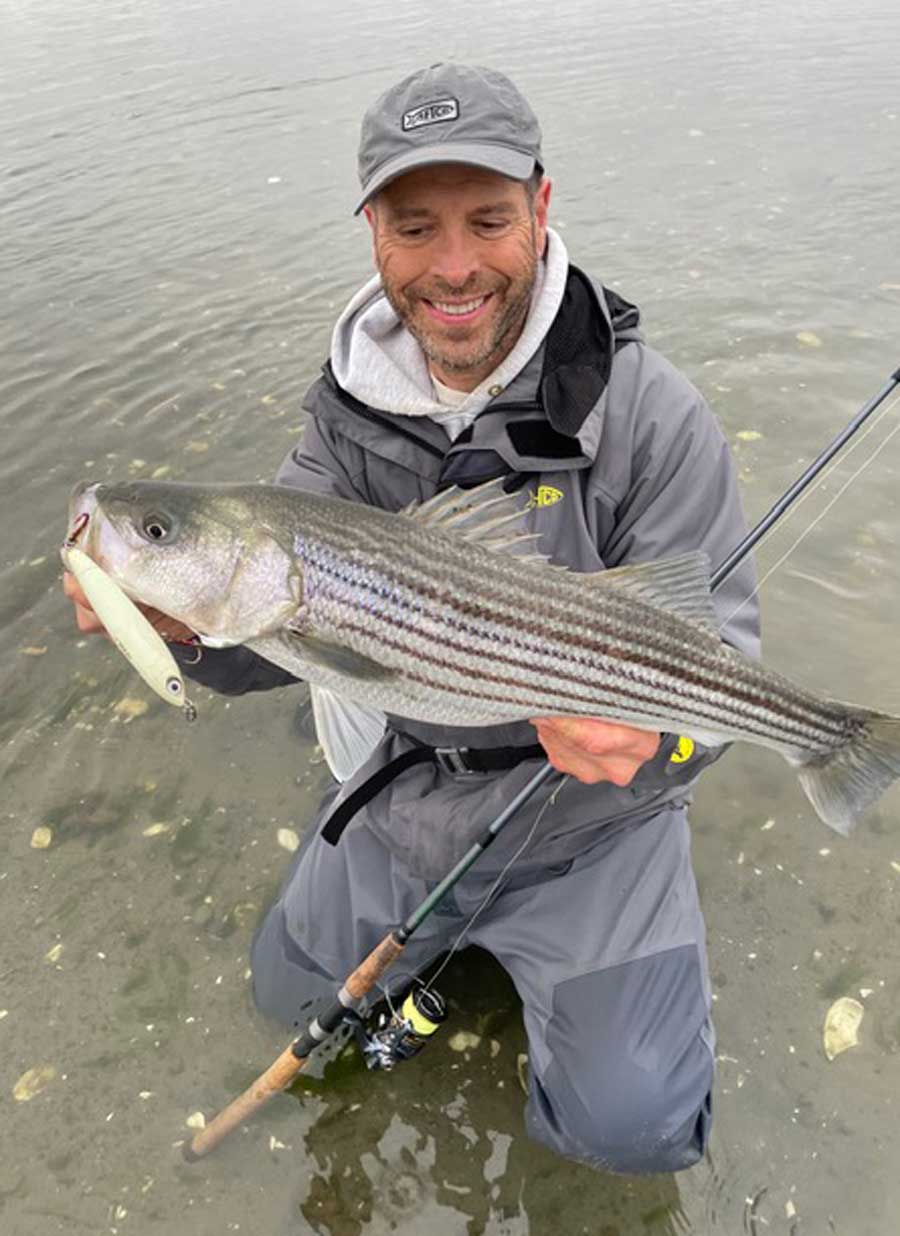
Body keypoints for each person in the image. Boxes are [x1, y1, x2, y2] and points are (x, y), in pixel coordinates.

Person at [65, 63, 759, 1175]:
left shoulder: (655, 418)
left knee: (632, 1129)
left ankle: (556, 964)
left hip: (592, 823)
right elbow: (269, 635)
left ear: (541, 208)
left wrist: (657, 739)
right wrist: (178, 624)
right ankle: (454, 948)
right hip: (411, 787)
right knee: (283, 996)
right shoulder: (342, 420)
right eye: (414, 226)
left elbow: (722, 680)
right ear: (373, 233)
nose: (453, 267)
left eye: (487, 219)